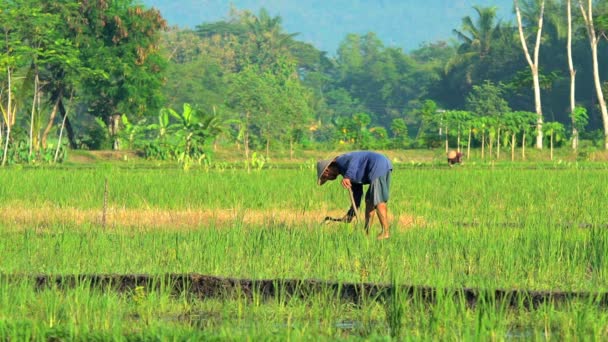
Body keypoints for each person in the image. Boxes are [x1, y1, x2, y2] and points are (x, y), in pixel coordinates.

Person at [317, 151, 393, 240]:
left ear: (327, 170)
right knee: (369, 202)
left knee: (378, 200)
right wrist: (351, 214)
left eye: (326, 177)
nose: (329, 179)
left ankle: (386, 232)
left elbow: (355, 160)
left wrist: (348, 176)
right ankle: (366, 233)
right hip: (379, 166)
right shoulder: (346, 172)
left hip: (378, 165)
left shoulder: (341, 160)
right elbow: (357, 194)